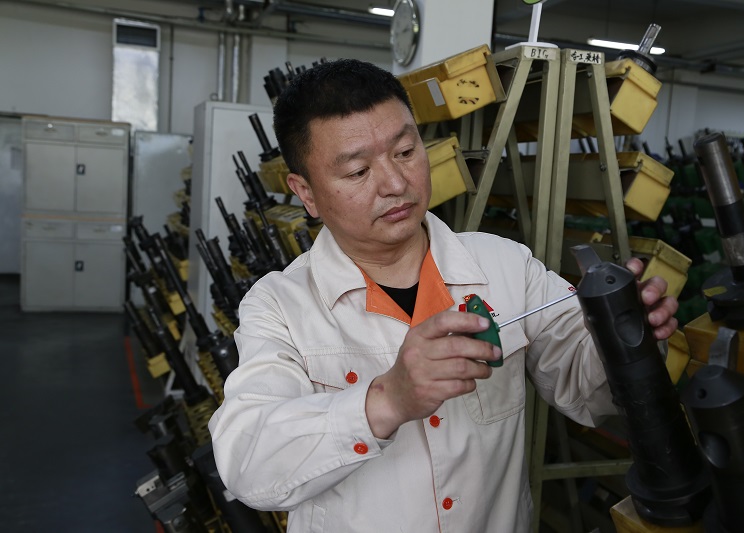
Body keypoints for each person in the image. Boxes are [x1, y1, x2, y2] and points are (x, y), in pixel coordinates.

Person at [209, 58, 678, 532]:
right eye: (358, 171)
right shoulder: (279, 305)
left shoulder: (505, 265)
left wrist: (624, 342)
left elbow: (589, 392)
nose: (395, 184)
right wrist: (385, 400)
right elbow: (248, 465)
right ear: (306, 193)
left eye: (405, 151)